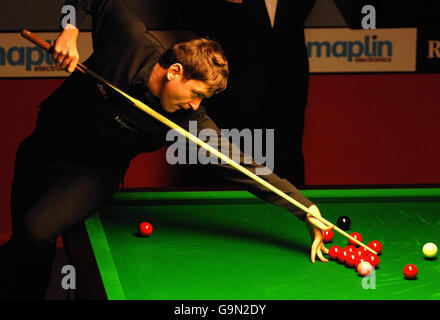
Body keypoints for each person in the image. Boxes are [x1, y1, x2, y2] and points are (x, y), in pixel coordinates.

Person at [0, 0, 331, 300]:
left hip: (92, 172)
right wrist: (69, 29)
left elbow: (241, 165)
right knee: (25, 247)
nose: (195, 104)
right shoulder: (130, 39)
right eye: (195, 93)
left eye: (202, 100)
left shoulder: (190, 119)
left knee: (36, 230)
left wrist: (305, 208)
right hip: (42, 147)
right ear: (175, 71)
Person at [187, 0, 316, 187]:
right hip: (232, 75)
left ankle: (294, 207)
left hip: (288, 72)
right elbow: (197, 17)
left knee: (286, 148)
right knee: (228, 150)